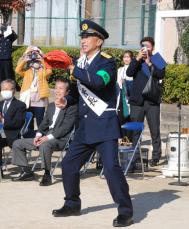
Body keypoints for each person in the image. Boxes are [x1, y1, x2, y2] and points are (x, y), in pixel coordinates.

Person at [52, 19, 133, 227]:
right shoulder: (81, 63)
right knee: (69, 164)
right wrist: (66, 100)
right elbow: (78, 94)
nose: (83, 40)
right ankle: (72, 203)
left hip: (104, 126)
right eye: (82, 37)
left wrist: (72, 67)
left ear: (99, 41)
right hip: (85, 127)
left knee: (112, 169)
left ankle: (125, 211)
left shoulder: (107, 62)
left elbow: (97, 82)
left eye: (88, 37)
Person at [11, 79, 78, 185]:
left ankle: (47, 174)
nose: (57, 91)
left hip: (61, 139)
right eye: (56, 88)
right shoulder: (51, 105)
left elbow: (65, 128)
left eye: (61, 88)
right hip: (46, 137)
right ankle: (26, 172)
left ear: (67, 92)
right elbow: (44, 123)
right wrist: (38, 135)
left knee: (45, 145)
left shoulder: (72, 108)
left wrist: (47, 138)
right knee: (17, 143)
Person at [126, 36, 166, 167]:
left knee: (155, 130)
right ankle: (136, 156)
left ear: (152, 47)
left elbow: (161, 74)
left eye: (148, 46)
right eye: (143, 46)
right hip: (137, 101)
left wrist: (149, 62)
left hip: (152, 101)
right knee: (136, 130)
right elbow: (129, 72)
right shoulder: (136, 60)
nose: (145, 48)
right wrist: (137, 59)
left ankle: (156, 156)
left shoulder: (157, 59)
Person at [15, 46, 52, 136]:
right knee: (29, 120)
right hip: (28, 100)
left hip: (40, 100)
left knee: (40, 120)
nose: (35, 61)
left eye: (37, 60)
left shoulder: (43, 71)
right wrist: (25, 59)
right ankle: (30, 136)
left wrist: (42, 59)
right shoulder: (27, 71)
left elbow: (50, 71)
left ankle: (40, 136)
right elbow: (17, 70)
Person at [0, 79, 26, 178]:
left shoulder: (20, 105)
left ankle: (25, 170)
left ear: (14, 90)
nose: (5, 91)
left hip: (13, 134)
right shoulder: (0, 104)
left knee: (16, 143)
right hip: (1, 133)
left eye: (8, 89)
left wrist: (3, 121)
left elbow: (18, 123)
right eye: (3, 89)